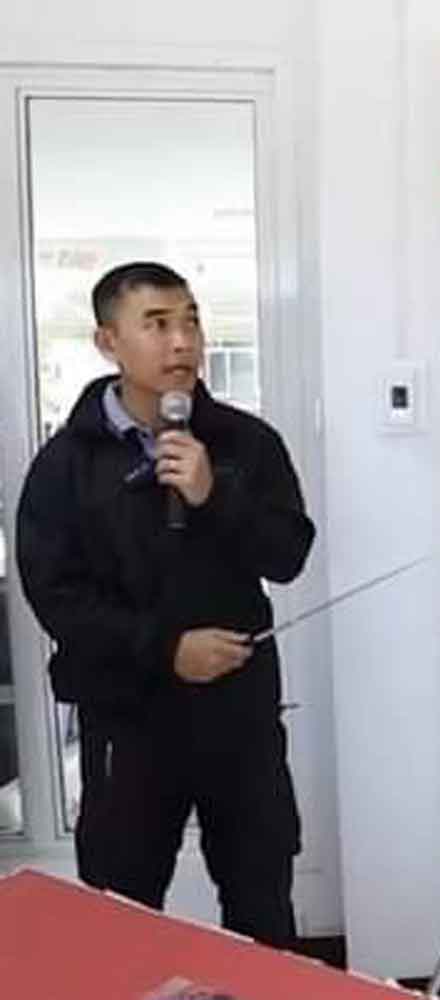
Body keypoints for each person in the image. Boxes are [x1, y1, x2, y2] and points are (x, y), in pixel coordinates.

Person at [15, 262, 314, 949]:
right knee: (122, 904)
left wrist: (216, 497)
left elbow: (287, 556)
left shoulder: (246, 443)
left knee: (261, 893)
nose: (182, 341)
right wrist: (166, 648)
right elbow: (57, 597)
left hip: (238, 716)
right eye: (156, 325)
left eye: (191, 321)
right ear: (107, 342)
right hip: (129, 716)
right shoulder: (67, 464)